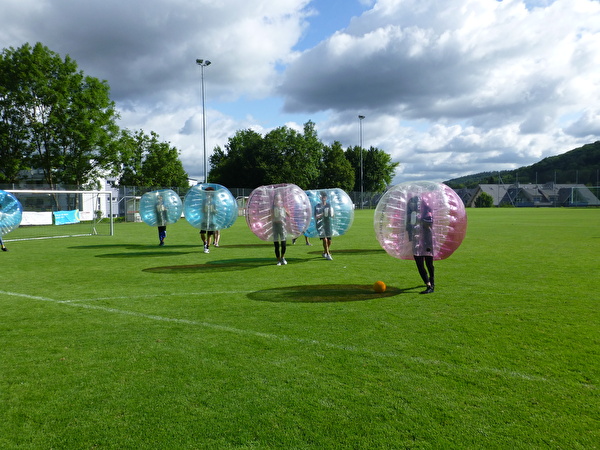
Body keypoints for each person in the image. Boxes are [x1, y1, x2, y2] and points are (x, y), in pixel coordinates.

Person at [407, 196, 434, 294]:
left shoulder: (427, 211)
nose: (412, 206)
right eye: (411, 204)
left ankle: (432, 283)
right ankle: (428, 284)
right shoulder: (410, 214)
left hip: (427, 240)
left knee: (429, 262)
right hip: (416, 241)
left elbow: (430, 223)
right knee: (419, 263)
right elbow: (408, 227)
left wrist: (420, 220)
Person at [315, 191, 334, 260]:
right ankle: (328, 254)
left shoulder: (328, 205)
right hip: (320, 224)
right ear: (320, 198)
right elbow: (316, 216)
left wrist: (331, 214)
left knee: (329, 241)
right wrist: (322, 214)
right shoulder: (317, 206)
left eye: (324, 197)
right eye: (322, 197)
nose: (323, 198)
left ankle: (325, 252)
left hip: (327, 224)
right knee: (325, 239)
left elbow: (332, 215)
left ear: (326, 198)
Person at [272, 192, 288, 265]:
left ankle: (282, 257)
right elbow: (270, 218)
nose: (278, 200)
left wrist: (285, 214)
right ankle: (278, 260)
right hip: (275, 225)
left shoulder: (283, 208)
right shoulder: (272, 208)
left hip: (282, 226)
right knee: (276, 244)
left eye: (279, 199)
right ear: (274, 200)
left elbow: (288, 215)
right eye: (277, 199)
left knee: (283, 243)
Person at [200, 187, 216, 253]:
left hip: (211, 220)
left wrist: (213, 210)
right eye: (207, 193)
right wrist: (205, 210)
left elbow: (215, 211)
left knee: (209, 234)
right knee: (202, 233)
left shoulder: (213, 201)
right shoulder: (204, 201)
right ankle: (205, 242)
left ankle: (207, 247)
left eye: (209, 193)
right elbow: (202, 210)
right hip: (204, 219)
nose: (208, 194)